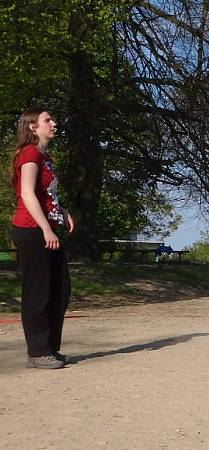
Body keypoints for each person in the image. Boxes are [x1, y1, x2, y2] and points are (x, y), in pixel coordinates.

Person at [10, 107, 74, 369]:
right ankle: (37, 352)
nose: (54, 123)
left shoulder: (45, 157)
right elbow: (27, 193)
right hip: (31, 228)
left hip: (47, 227)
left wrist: (63, 211)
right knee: (38, 291)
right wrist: (45, 229)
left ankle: (48, 348)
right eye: (47, 120)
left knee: (60, 288)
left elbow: (46, 195)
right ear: (33, 127)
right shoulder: (30, 153)